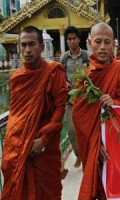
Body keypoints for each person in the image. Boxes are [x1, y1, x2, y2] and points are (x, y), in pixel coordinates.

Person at [72, 22, 120, 200]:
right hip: (97, 148)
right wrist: (96, 144)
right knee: (100, 189)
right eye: (98, 41)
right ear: (89, 43)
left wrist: (117, 104)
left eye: (107, 42)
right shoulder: (85, 76)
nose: (102, 47)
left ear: (114, 44)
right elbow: (79, 116)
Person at [1, 26, 68, 199]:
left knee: (48, 190)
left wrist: (43, 141)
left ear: (42, 47)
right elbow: (16, 116)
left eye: (32, 44)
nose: (27, 50)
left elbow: (60, 108)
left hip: (45, 146)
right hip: (21, 146)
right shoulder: (17, 78)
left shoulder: (54, 72)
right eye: (23, 45)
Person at [60, 26, 89, 168]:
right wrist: (65, 82)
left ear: (79, 39)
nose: (72, 41)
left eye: (74, 38)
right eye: (69, 39)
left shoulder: (87, 56)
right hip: (72, 100)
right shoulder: (64, 58)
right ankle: (78, 155)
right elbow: (60, 75)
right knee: (71, 130)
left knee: (86, 130)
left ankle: (87, 156)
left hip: (87, 99)